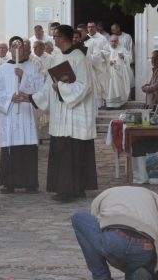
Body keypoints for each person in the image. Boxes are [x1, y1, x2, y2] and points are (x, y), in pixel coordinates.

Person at [30, 25, 98, 202]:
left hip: (75, 115)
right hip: (62, 114)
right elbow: (47, 84)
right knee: (64, 151)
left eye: (56, 36)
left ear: (64, 38)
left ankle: (70, 190)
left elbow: (84, 86)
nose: (54, 40)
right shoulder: (57, 58)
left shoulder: (79, 58)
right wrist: (33, 98)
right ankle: (70, 188)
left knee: (72, 152)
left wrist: (60, 86)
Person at [71, 186, 158, 280]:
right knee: (137, 268)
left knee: (78, 218)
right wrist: (157, 245)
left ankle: (102, 277)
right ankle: (136, 275)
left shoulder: (105, 194)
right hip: (145, 246)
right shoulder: (152, 195)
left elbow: (95, 223)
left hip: (115, 239)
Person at [0, 37, 44, 193]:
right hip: (10, 114)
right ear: (9, 49)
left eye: (19, 46)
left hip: (27, 113)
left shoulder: (34, 67)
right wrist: (9, 98)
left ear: (24, 49)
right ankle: (10, 183)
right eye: (13, 47)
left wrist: (24, 77)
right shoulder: (1, 69)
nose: (17, 50)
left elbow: (40, 89)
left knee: (28, 147)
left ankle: (30, 182)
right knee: (11, 148)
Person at [105, 35, 131, 109]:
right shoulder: (106, 49)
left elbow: (129, 58)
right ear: (109, 41)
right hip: (108, 72)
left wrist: (123, 56)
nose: (113, 43)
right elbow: (102, 59)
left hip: (119, 72)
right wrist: (108, 62)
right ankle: (109, 105)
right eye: (112, 41)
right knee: (109, 88)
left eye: (115, 41)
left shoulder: (122, 49)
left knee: (118, 88)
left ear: (118, 41)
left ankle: (117, 104)